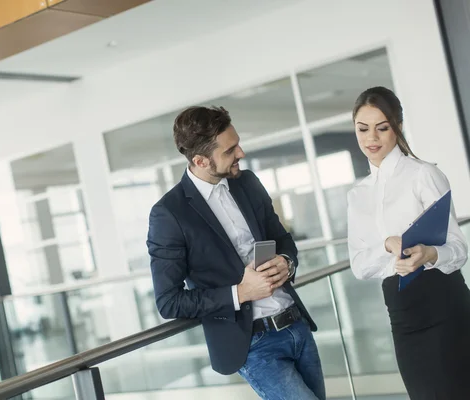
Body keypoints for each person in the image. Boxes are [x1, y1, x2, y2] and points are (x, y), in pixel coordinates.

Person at [147, 106, 325, 400]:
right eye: (230, 151)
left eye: (237, 143)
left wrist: (287, 262)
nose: (241, 153)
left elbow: (282, 239)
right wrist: (239, 293)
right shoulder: (169, 214)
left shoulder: (247, 183)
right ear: (201, 160)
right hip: (253, 344)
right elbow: (169, 302)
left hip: (296, 325)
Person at [347, 86, 470, 399]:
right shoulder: (357, 195)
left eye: (382, 128)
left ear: (397, 126)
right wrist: (389, 246)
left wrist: (429, 253)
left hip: (445, 305)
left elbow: (458, 251)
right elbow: (360, 265)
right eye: (363, 129)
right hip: (402, 314)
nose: (371, 138)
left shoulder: (424, 175)